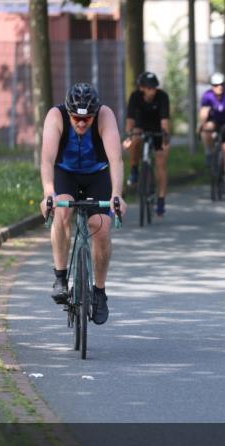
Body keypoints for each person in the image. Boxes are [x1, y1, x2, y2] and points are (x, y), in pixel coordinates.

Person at [40, 82, 127, 325]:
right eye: (76, 119)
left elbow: (116, 159)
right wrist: (48, 193)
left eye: (87, 119)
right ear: (68, 113)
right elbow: (47, 159)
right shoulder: (55, 116)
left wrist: (117, 194)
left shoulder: (105, 115)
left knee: (101, 227)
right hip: (65, 173)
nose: (81, 124)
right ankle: (60, 276)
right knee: (62, 211)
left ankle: (99, 291)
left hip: (97, 174)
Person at [124, 71, 171, 217]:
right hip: (140, 128)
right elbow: (130, 122)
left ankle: (161, 199)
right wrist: (130, 135)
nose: (153, 90)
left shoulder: (162, 97)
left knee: (161, 162)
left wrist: (165, 139)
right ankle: (134, 170)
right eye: (149, 88)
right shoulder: (135, 97)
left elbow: (165, 122)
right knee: (135, 139)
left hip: (158, 130)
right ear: (142, 88)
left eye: (154, 87)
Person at [199, 71, 225, 188]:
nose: (219, 87)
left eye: (221, 84)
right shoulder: (207, 95)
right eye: (216, 85)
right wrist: (203, 124)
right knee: (207, 128)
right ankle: (209, 151)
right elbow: (203, 112)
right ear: (212, 86)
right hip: (214, 122)